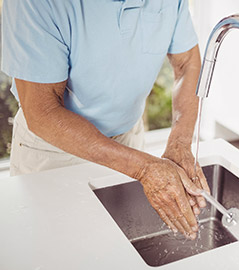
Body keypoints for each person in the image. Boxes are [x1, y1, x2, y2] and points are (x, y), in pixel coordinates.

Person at [1, 0, 210, 240]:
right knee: (52, 248)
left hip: (129, 141)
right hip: (52, 152)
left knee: (118, 247)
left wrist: (180, 143)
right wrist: (143, 168)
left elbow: (188, 63)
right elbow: (42, 112)